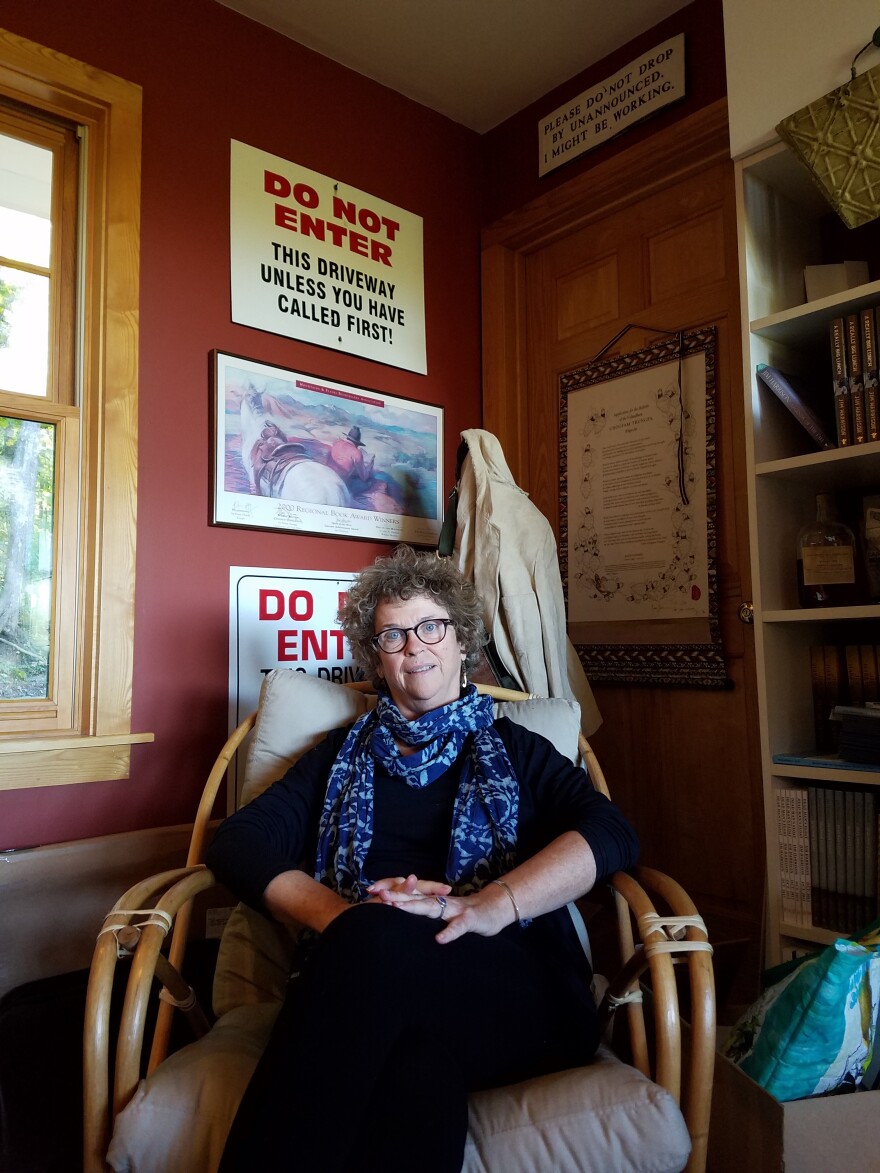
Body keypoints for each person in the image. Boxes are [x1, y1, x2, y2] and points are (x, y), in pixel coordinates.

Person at [208, 544, 639, 1173]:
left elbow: (613, 832)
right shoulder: (337, 758)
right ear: (376, 659)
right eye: (392, 634)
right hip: (373, 986)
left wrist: (488, 904)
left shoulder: (515, 749)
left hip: (515, 986)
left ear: (462, 641)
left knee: (374, 959)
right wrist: (344, 919)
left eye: (431, 626)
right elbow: (236, 843)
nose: (415, 646)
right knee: (416, 1075)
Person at [329, 424, 375, 489]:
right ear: (357, 443)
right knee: (367, 484)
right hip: (340, 480)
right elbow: (364, 477)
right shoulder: (356, 452)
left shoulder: (336, 443)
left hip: (329, 473)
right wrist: (370, 464)